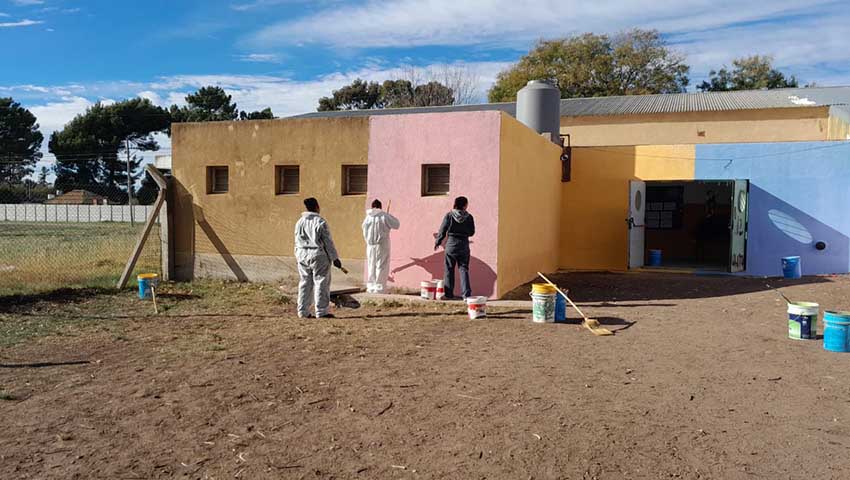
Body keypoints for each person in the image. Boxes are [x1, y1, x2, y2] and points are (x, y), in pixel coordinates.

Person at [294, 197, 342, 318]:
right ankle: (321, 311)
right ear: (317, 207)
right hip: (318, 255)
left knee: (305, 282)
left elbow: (296, 240)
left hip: (302, 254)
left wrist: (298, 255)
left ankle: (302, 311)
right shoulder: (320, 222)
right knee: (321, 282)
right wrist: (335, 258)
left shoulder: (299, 222)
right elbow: (328, 242)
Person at [434, 196, 475, 300]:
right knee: (463, 269)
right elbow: (472, 232)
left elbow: (442, 230)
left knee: (449, 269)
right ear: (465, 205)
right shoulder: (469, 217)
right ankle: (466, 295)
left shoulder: (449, 215)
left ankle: (448, 294)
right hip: (464, 245)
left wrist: (438, 241)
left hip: (451, 244)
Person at [362, 199, 400, 293]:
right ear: (380, 207)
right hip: (381, 245)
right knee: (382, 265)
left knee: (371, 265)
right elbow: (397, 224)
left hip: (370, 245)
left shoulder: (367, 218)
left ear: (372, 207)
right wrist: (388, 218)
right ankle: (379, 288)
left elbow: (364, 230)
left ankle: (371, 287)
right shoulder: (384, 216)